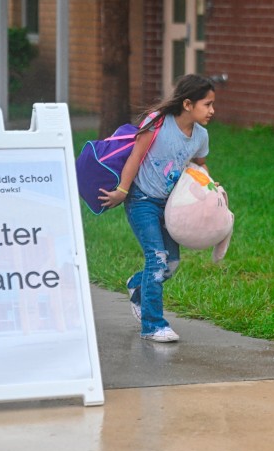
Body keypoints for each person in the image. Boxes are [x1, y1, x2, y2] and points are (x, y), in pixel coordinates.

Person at [98, 74, 216, 343]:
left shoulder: (201, 136)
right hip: (142, 199)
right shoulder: (158, 122)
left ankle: (137, 285)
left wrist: (208, 186)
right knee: (158, 257)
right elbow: (135, 156)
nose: (212, 111)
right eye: (207, 104)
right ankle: (152, 325)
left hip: (170, 205)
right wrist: (122, 191)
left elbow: (199, 164)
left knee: (171, 264)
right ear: (188, 104)